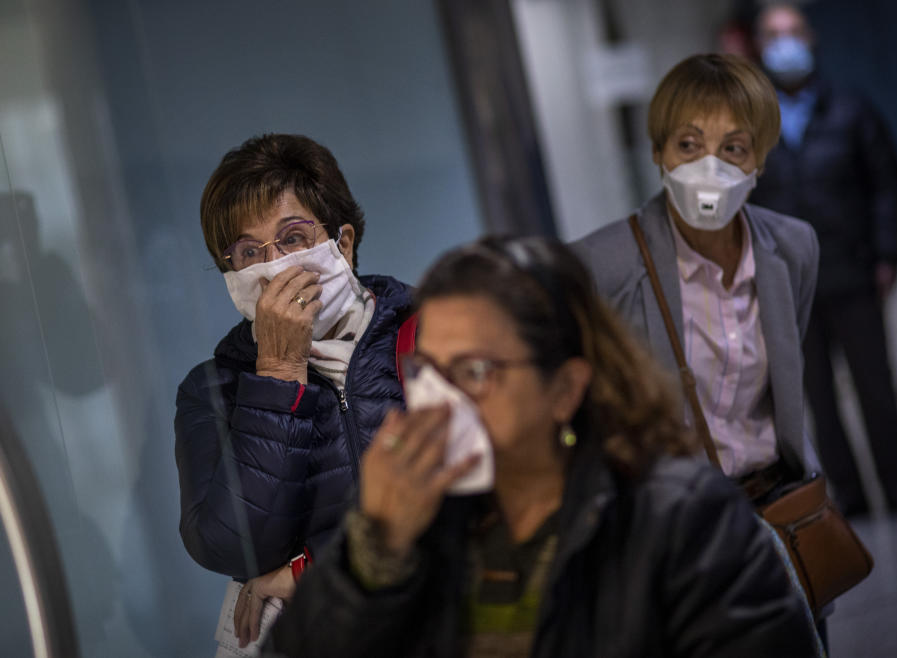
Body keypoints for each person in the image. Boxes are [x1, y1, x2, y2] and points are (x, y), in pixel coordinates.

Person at [265, 236, 821, 657]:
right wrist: (373, 552)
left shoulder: (685, 521)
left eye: (475, 370)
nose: (437, 398)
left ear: (564, 388)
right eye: (427, 369)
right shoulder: (423, 522)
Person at [174, 134, 414, 647]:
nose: (274, 264)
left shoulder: (428, 335)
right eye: (247, 251)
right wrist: (279, 373)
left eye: (293, 237)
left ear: (342, 245)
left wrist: (312, 571)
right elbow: (229, 548)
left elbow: (486, 501)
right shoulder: (212, 389)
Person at [574, 53, 821, 499]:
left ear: (759, 161)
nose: (710, 169)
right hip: (671, 517)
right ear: (657, 152)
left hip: (773, 497)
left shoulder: (793, 247)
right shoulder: (601, 264)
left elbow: (786, 371)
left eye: (733, 148)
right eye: (688, 145)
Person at [750, 4, 897, 517]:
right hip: (790, 286)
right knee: (819, 400)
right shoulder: (752, 125)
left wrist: (888, 254)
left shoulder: (852, 110)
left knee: (877, 390)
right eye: (773, 34)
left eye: (792, 32)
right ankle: (851, 498)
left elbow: (885, 189)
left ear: (811, 38)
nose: (784, 43)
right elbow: (744, 208)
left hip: (853, 273)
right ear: (759, 45)